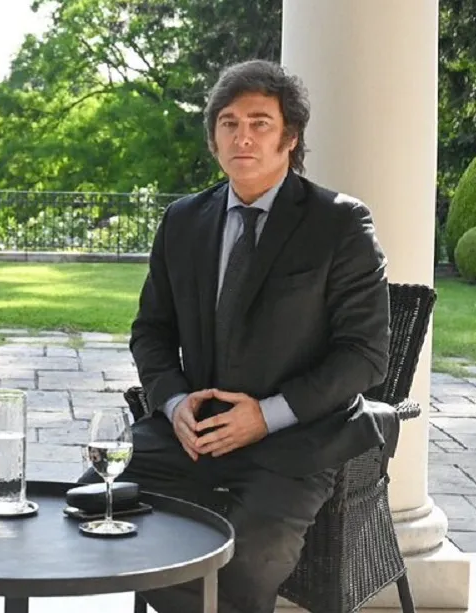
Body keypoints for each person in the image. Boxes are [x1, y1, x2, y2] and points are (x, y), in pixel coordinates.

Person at [79, 60, 391, 612]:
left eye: (259, 123)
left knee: (240, 565)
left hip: (293, 443)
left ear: (290, 138)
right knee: (85, 512)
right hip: (191, 436)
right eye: (228, 123)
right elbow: (151, 332)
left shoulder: (339, 223)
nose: (242, 136)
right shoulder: (182, 220)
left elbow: (365, 355)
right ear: (214, 139)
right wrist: (173, 402)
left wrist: (265, 416)